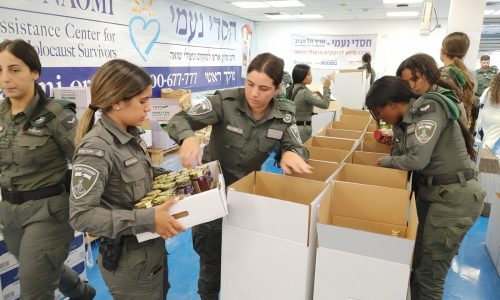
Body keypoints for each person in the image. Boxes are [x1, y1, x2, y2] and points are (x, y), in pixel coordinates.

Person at [167, 52, 313, 300]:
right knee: (211, 262)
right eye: (250, 84)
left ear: (277, 89)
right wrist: (187, 136)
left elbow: (297, 146)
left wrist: (291, 153)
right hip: (212, 196)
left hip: (247, 198)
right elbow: (179, 119)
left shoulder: (283, 114)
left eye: (264, 88)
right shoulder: (224, 102)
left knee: (245, 258)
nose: (254, 93)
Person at [69, 59, 186, 299]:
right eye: (142, 101)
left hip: (150, 250)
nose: (148, 108)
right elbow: (81, 216)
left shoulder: (130, 135)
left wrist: (177, 179)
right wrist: (148, 218)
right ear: (117, 102)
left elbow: (141, 177)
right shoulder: (97, 148)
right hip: (129, 262)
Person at [366, 76, 485, 300]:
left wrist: (385, 162)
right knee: (418, 262)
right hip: (432, 194)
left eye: (379, 112)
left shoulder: (429, 109)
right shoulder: (406, 120)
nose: (380, 118)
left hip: (453, 198)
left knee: (430, 276)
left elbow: (416, 160)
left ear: (392, 104)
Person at [0, 39, 95, 299]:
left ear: (34, 72)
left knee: (34, 291)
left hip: (48, 213)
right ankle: (80, 291)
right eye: (0, 70)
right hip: (10, 213)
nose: (6, 78)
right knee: (38, 268)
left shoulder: (56, 115)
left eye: (15, 69)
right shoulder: (1, 114)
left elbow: (87, 162)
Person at [396, 53, 469, 129]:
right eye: (406, 82)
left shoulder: (444, 100)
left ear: (429, 75)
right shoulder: (416, 98)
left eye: (415, 79)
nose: (412, 86)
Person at [286, 63, 332, 142]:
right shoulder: (305, 92)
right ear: (301, 76)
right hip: (302, 129)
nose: (311, 76)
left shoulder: (290, 89)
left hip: (292, 127)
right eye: (309, 75)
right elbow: (325, 104)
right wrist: (326, 87)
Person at [439, 32, 475, 128]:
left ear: (442, 51)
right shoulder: (465, 73)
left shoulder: (443, 74)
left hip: (447, 130)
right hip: (460, 129)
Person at [475, 55, 498, 133]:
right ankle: (477, 131)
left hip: (490, 98)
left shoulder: (494, 71)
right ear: (480, 62)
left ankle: (484, 132)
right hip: (479, 97)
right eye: (484, 62)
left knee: (489, 116)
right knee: (478, 117)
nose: (485, 64)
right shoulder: (476, 73)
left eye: (487, 62)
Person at [478, 73, 500, 149]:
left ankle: (483, 154)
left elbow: (480, 102)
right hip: (498, 118)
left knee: (487, 138)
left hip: (486, 117)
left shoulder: (488, 90)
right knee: (494, 140)